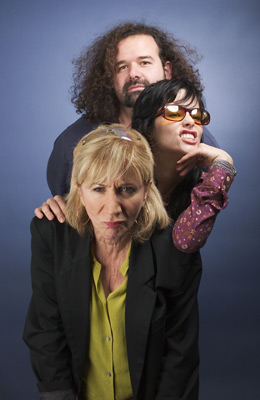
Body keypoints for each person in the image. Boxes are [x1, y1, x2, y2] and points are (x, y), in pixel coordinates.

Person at [23, 124, 202, 400]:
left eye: (127, 189)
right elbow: (45, 331)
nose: (112, 208)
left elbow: (180, 354)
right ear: (78, 189)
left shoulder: (174, 247)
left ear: (146, 191)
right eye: (98, 189)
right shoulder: (50, 234)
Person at [46, 21, 219, 197]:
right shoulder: (72, 142)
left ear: (167, 71)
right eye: (122, 67)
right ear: (109, 78)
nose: (133, 74)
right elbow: (68, 208)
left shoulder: (198, 141)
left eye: (144, 62)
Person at [132, 79, 236, 252]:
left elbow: (186, 241)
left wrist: (224, 163)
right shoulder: (123, 175)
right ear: (149, 128)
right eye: (174, 112)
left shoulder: (206, 185)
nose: (190, 121)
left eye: (197, 115)